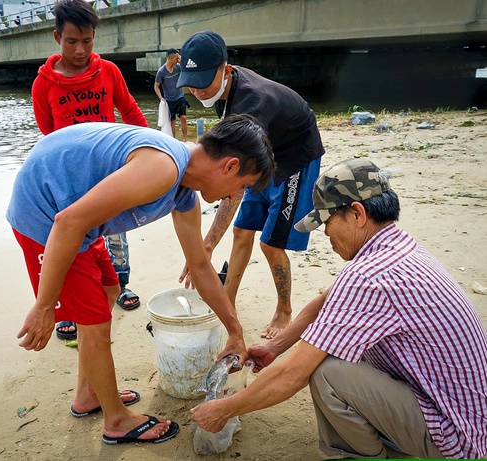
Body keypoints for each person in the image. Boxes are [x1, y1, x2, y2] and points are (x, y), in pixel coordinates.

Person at [190, 158, 487, 459]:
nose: (325, 233)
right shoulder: (398, 247)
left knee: (327, 373)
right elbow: (327, 301)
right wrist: (276, 346)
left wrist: (223, 409)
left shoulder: (367, 276)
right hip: (467, 417)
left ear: (356, 214)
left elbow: (292, 375)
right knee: (332, 348)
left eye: (326, 221)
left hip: (457, 440)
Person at [7, 115, 275, 444]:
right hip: (44, 212)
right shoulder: (163, 168)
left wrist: (234, 331)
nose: (236, 195)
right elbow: (66, 222)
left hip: (79, 223)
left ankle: (88, 394)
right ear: (230, 166)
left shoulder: (183, 193)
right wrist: (44, 305)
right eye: (243, 186)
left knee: (109, 288)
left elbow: (201, 267)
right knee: (94, 320)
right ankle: (116, 420)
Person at [177, 31, 325, 339]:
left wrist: (206, 245)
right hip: (261, 151)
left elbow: (235, 188)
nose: (197, 89)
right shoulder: (222, 93)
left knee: (270, 243)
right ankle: (227, 301)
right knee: (242, 231)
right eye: (191, 81)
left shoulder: (252, 105)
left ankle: (284, 310)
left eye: (205, 80)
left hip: (294, 155)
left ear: (226, 70)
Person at [31, 0, 147, 340]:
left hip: (110, 172)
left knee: (116, 233)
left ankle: (121, 285)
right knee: (72, 240)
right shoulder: (44, 84)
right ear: (57, 38)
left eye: (87, 41)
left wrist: (152, 150)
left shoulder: (108, 72)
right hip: (68, 181)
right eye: (71, 42)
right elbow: (48, 135)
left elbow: (130, 111)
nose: (80, 50)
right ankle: (69, 305)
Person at [154, 48, 190, 141]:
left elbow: (187, 69)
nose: (177, 60)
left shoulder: (178, 67)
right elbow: (156, 86)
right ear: (170, 58)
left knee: (183, 118)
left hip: (180, 97)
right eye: (176, 58)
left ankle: (186, 140)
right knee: (172, 122)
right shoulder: (161, 72)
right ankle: (174, 141)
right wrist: (161, 98)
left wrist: (182, 61)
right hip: (169, 100)